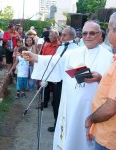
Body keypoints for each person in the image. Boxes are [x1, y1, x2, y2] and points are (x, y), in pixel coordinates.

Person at [22, 21, 113, 150]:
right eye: (85, 33)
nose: (88, 36)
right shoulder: (73, 53)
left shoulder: (109, 58)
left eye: (92, 33)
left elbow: (112, 85)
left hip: (91, 110)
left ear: (100, 36)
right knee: (71, 137)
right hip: (71, 106)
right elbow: (55, 62)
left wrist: (100, 78)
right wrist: (35, 57)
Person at [85, 12, 116, 150]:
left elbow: (110, 108)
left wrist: (90, 119)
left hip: (109, 137)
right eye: (85, 33)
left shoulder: (109, 55)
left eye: (108, 30)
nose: (108, 34)